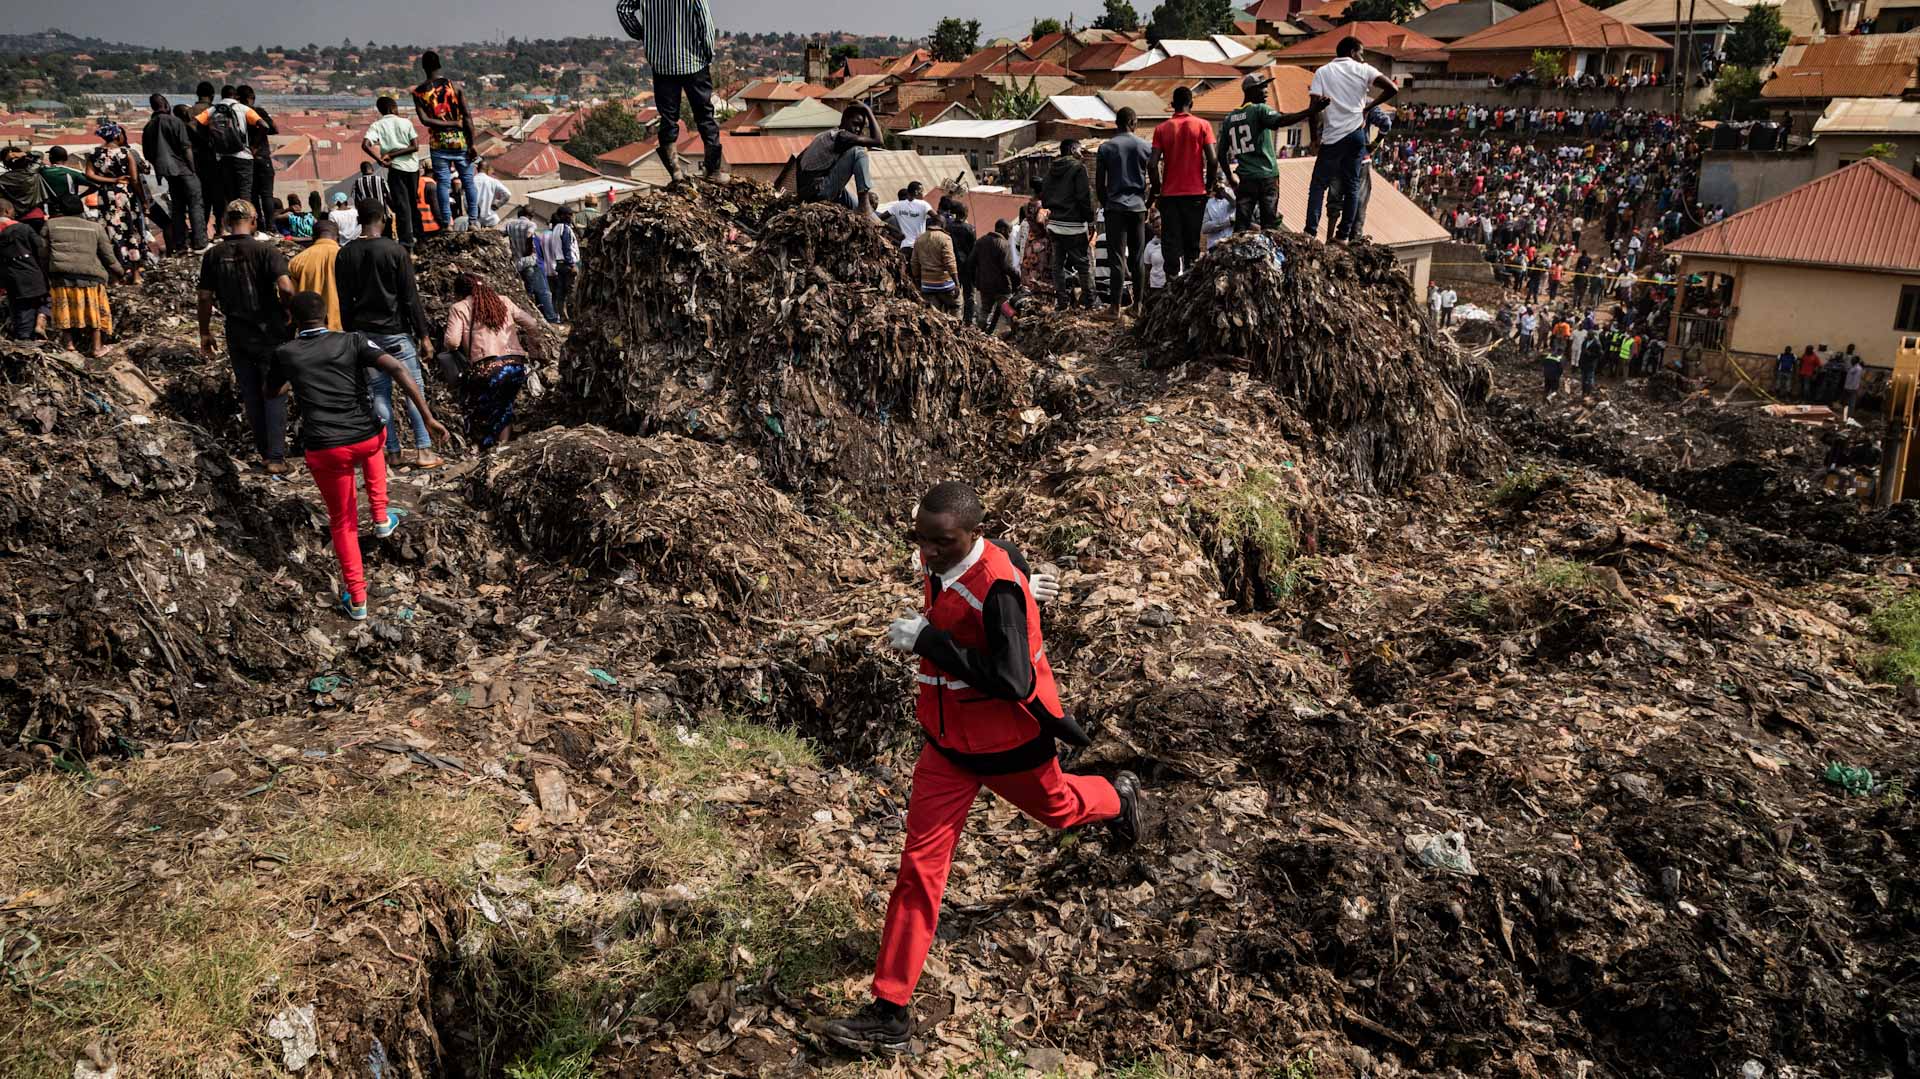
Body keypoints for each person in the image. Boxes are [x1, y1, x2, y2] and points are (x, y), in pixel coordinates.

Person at [820, 482, 1142, 1054]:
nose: (927, 553)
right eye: (921, 539)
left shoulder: (997, 593)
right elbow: (1008, 558)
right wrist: (1026, 580)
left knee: (1061, 809)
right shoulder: (958, 558)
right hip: (946, 750)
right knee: (919, 870)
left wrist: (935, 639)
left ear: (970, 535)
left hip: (1008, 748)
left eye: (940, 543)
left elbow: (1015, 681)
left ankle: (1118, 799)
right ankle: (891, 1011)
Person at [268, 290, 447, 620]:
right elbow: (397, 369)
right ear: (325, 316)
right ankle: (380, 516)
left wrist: (299, 378)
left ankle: (358, 597)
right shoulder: (352, 341)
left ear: (291, 319)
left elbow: (273, 391)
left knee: (343, 522)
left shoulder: (286, 353)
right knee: (377, 434)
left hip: (326, 447)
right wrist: (427, 416)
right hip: (365, 437)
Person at [335, 200, 441, 469]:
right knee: (412, 390)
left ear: (360, 219)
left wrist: (352, 335)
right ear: (383, 218)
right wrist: (424, 335)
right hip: (396, 333)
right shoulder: (395, 250)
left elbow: (344, 300)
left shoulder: (345, 254)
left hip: (364, 334)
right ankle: (424, 451)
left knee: (378, 393)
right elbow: (410, 298)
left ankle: (392, 452)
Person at [198, 199, 293, 470]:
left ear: (227, 222)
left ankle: (265, 453)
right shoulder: (266, 251)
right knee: (274, 389)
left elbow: (205, 297)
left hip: (236, 330)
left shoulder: (213, 255)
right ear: (253, 221)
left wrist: (204, 332)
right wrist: (289, 311)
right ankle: (276, 458)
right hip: (269, 329)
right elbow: (285, 287)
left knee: (251, 393)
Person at [1301, 37, 1397, 243]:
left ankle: (1310, 232)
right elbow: (1392, 89)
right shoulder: (1364, 70)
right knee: (1352, 186)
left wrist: (1315, 138)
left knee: (1319, 185)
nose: (1362, 57)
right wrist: (1369, 107)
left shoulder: (1322, 72)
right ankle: (1343, 235)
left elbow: (1313, 109)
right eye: (1361, 52)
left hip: (1333, 137)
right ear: (1353, 52)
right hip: (1356, 135)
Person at [617, 0, 725, 181]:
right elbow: (706, 25)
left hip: (662, 65)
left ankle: (675, 170)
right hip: (694, 63)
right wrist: (707, 54)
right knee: (705, 115)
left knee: (668, 118)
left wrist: (644, 34)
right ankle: (713, 171)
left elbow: (623, 9)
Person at [444, 272, 542, 450]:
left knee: (480, 408)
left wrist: (453, 349)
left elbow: (452, 341)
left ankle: (485, 446)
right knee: (505, 404)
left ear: (459, 292)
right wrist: (534, 350)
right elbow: (532, 324)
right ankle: (503, 445)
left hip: (486, 369)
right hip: (515, 365)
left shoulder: (459, 308)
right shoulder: (503, 301)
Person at [41, 195, 122, 357]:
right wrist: (119, 272)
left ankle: (69, 345)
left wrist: (47, 274)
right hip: (91, 278)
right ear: (81, 209)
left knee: (66, 311)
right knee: (94, 313)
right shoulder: (96, 227)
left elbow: (43, 253)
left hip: (61, 277)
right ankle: (97, 348)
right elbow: (108, 256)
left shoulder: (50, 225)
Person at [1150, 86, 1217, 279]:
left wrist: (1157, 191)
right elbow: (1212, 160)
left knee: (1170, 244)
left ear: (1172, 105)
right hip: (1196, 195)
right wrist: (1209, 186)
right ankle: (1190, 285)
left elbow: (1152, 164)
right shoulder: (1203, 125)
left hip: (1170, 197)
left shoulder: (1161, 129)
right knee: (1192, 245)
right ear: (1192, 104)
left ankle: (1171, 285)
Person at [411, 52, 480, 230]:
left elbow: (425, 120)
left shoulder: (418, 93)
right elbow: (467, 118)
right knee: (468, 182)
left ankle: (446, 223)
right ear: (439, 65)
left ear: (424, 67)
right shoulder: (454, 88)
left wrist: (446, 124)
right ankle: (473, 221)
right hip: (460, 142)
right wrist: (472, 144)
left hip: (438, 143)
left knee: (443, 183)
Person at [1094, 106, 1152, 319]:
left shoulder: (1106, 148)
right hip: (1137, 207)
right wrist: (1148, 202)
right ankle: (1137, 305)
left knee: (1117, 257)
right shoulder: (1145, 146)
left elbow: (1099, 184)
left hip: (1115, 208)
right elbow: (1156, 180)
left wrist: (1106, 203)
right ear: (1133, 123)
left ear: (1117, 123)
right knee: (1137, 257)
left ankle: (1115, 308)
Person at [1221, 72, 1295, 231]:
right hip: (1267, 177)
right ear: (1251, 91)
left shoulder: (1229, 119)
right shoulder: (1259, 110)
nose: (1266, 91)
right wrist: (1310, 111)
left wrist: (1231, 178)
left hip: (1246, 179)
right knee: (1269, 225)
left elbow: (1221, 155)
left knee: (1242, 225)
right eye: (1262, 87)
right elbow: (1282, 120)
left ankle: (1239, 254)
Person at [82, 123, 150, 285]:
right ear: (116, 136)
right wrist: (143, 199)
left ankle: (115, 277)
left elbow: (89, 174)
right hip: (126, 197)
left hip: (106, 197)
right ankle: (135, 275)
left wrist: (109, 180)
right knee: (131, 232)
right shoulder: (125, 153)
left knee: (111, 233)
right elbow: (134, 179)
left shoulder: (94, 153)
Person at [194, 86, 265, 228]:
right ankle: (247, 227)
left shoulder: (213, 110)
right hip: (243, 156)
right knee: (245, 194)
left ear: (221, 95)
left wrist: (210, 141)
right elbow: (264, 125)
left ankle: (233, 227)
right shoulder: (243, 109)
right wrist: (254, 147)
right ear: (236, 96)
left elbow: (196, 124)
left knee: (230, 195)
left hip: (222, 157)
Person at [143, 93, 205, 256]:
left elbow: (148, 154)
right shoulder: (175, 121)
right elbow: (186, 148)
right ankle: (200, 242)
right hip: (183, 169)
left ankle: (181, 244)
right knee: (195, 204)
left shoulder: (148, 127)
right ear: (165, 104)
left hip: (167, 174)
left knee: (177, 208)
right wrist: (193, 169)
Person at [1040, 140, 1095, 309]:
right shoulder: (1079, 168)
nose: (1082, 153)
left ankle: (1062, 302)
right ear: (1072, 150)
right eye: (1080, 150)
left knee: (1058, 264)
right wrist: (1089, 219)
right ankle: (1089, 299)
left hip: (1054, 225)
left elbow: (1045, 199)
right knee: (1083, 263)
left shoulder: (1051, 170)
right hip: (1074, 226)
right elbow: (1083, 197)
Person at [796, 103, 881, 210]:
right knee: (858, 151)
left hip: (814, 190)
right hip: (819, 191)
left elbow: (799, 158)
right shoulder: (842, 136)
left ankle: (867, 210)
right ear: (844, 120)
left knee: (861, 210)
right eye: (855, 124)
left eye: (861, 127)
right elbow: (878, 140)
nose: (858, 130)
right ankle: (864, 204)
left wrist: (801, 192)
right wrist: (868, 110)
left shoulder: (825, 135)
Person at [0, 197, 50, 339]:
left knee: (19, 310)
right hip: (31, 274)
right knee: (42, 301)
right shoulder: (23, 228)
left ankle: (25, 336)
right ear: (8, 211)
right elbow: (41, 248)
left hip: (8, 278)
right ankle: (29, 337)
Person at [502, 207, 562, 323]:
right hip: (530, 262)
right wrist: (528, 250)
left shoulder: (510, 225)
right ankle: (552, 318)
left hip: (517, 263)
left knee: (528, 292)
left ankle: (529, 317)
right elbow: (529, 235)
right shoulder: (530, 225)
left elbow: (501, 234)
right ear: (531, 215)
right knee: (544, 291)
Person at [233, 86, 278, 225]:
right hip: (262, 158)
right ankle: (271, 226)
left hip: (245, 159)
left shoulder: (236, 114)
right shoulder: (258, 112)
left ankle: (258, 226)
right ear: (251, 98)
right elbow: (273, 129)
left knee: (252, 195)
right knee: (267, 194)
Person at [288, 217, 343, 329]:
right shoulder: (346, 256)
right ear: (337, 237)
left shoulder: (297, 261)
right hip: (342, 326)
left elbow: (290, 295)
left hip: (310, 328)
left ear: (313, 237)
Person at [971, 218, 1019, 335]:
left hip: (984, 285)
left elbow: (971, 262)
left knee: (985, 310)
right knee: (1007, 308)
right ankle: (1015, 330)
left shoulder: (980, 241)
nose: (1009, 234)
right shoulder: (1003, 244)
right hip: (1001, 286)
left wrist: (977, 280)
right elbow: (1007, 267)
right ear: (1002, 230)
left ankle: (979, 334)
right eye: (1009, 231)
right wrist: (1017, 279)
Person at [911, 212, 959, 311]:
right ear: (943, 224)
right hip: (945, 285)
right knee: (956, 308)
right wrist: (957, 284)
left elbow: (914, 262)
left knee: (934, 314)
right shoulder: (945, 238)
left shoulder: (920, 238)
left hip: (927, 285)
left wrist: (917, 280)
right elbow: (950, 262)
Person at [879, 183, 933, 269]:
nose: (923, 194)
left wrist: (893, 229)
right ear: (916, 192)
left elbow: (879, 219)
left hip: (905, 248)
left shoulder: (897, 206)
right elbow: (938, 218)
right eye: (922, 191)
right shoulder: (923, 205)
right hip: (920, 248)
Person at [545, 206, 581, 322]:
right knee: (571, 291)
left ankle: (562, 316)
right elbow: (566, 247)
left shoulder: (555, 229)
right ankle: (572, 317)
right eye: (568, 215)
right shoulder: (565, 229)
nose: (570, 217)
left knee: (561, 292)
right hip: (567, 264)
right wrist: (572, 264)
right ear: (562, 216)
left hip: (559, 264)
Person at [945, 202, 977, 325]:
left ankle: (952, 319)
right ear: (965, 214)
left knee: (952, 292)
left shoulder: (948, 227)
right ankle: (968, 321)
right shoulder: (970, 228)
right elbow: (974, 249)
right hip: (967, 267)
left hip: (951, 265)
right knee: (969, 295)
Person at [468, 160, 510, 229]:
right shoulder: (493, 181)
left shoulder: (471, 181)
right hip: (491, 220)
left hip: (475, 222)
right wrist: (498, 205)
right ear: (488, 170)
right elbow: (508, 194)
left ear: (477, 169)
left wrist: (472, 211)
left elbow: (465, 200)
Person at [1202, 181, 1235, 249]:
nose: (1219, 188)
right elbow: (1205, 228)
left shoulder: (1232, 199)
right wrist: (1227, 222)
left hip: (1232, 244)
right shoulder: (1208, 204)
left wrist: (1225, 191)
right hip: (1214, 245)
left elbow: (1234, 202)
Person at [1843, 353, 1865, 420]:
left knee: (1851, 403)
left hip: (1852, 388)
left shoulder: (1858, 369)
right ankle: (1846, 415)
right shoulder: (1852, 367)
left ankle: (1850, 416)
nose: (1851, 361)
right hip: (1848, 387)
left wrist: (1852, 388)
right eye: (1852, 360)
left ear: (1856, 361)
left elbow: (1856, 380)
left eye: (1853, 360)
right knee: (1847, 402)